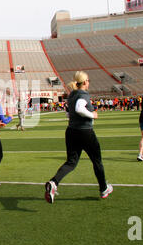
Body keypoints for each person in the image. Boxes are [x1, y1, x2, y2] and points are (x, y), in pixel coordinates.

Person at [44, 71, 113, 203]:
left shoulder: (72, 95)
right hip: (85, 132)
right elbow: (79, 108)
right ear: (85, 82)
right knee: (97, 161)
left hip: (71, 131)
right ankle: (104, 189)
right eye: (88, 80)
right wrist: (93, 115)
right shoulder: (82, 94)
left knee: (71, 162)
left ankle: (54, 182)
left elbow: (69, 113)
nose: (89, 82)